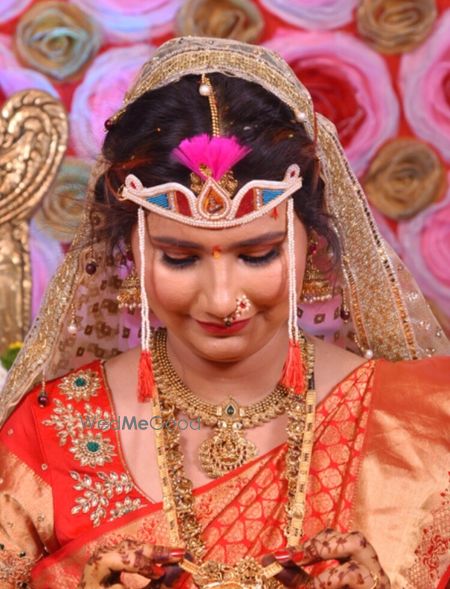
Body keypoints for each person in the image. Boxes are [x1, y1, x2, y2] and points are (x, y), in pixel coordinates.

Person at [0, 37, 448, 589]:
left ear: (312, 242)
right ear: (130, 250)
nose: (220, 299)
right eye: (179, 258)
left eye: (258, 255)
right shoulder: (50, 431)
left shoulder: (424, 425)